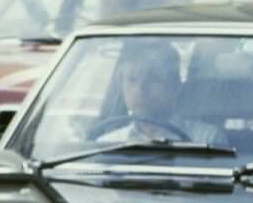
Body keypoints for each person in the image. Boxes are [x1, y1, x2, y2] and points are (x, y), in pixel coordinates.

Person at [94, 40, 226, 144]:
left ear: (175, 87)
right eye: (131, 80)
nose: (140, 90)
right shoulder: (107, 144)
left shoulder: (205, 139)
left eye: (153, 80)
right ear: (121, 84)